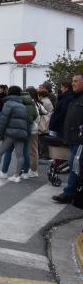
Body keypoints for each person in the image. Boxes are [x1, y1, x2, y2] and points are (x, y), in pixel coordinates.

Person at [52, 72, 83, 203]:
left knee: (75, 165)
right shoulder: (76, 98)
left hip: (80, 140)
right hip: (73, 139)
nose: (72, 83)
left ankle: (69, 193)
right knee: (76, 165)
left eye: (76, 81)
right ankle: (74, 192)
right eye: (72, 81)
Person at [0, 86, 28, 182]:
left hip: (10, 133)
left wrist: (0, 136)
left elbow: (3, 121)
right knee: (20, 155)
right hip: (21, 133)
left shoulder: (8, 104)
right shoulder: (23, 106)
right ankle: (17, 176)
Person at [37, 88, 54, 160]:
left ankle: (45, 154)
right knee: (44, 139)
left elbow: (41, 112)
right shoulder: (48, 101)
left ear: (41, 95)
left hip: (44, 122)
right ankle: (44, 154)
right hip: (48, 121)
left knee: (42, 139)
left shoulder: (43, 102)